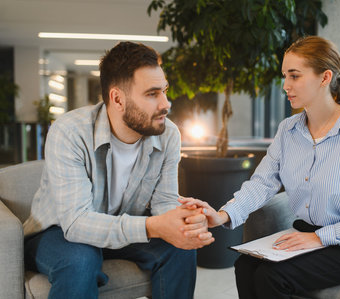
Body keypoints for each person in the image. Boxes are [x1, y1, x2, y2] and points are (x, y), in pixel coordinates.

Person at [180, 36, 340, 298]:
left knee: (272, 277)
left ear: (324, 77)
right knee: (245, 266)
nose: (285, 85)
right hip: (305, 233)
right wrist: (223, 215)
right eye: (285, 76)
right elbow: (262, 183)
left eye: (294, 76)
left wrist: (321, 238)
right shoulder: (288, 130)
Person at [23, 41, 214, 299]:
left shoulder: (168, 134)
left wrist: (183, 221)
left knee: (180, 248)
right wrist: (153, 226)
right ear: (117, 98)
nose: (166, 104)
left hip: (125, 224)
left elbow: (163, 202)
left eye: (165, 91)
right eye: (152, 94)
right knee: (81, 258)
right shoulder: (69, 132)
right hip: (59, 231)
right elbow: (77, 223)